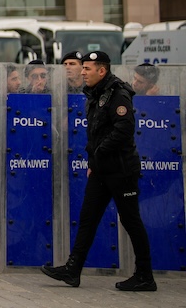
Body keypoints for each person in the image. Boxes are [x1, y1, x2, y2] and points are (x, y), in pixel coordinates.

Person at [42, 51, 156, 292]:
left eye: (87, 69)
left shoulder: (118, 94)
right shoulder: (96, 94)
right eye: (82, 68)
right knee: (88, 218)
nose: (82, 72)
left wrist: (99, 154)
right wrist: (94, 162)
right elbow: (96, 132)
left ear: (101, 71)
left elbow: (123, 130)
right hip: (101, 169)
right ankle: (73, 270)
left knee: (131, 220)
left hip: (121, 170)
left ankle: (145, 276)